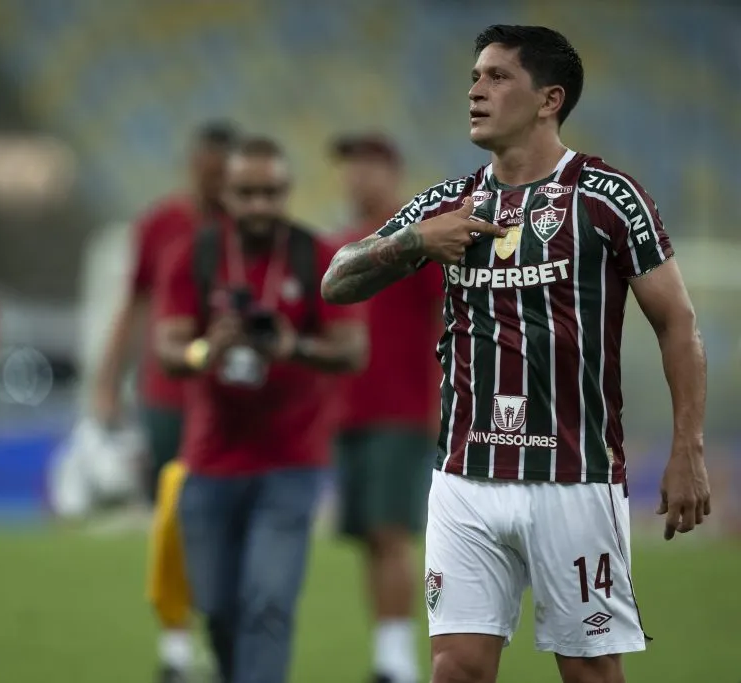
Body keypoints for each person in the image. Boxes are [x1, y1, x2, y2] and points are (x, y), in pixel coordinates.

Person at [322, 25, 710, 683]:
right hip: (465, 474)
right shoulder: (448, 203)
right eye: (475, 76)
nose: (476, 89)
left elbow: (677, 321)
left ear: (548, 99)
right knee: (456, 667)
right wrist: (415, 239)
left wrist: (687, 448)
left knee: (588, 671)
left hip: (574, 475)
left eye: (498, 77)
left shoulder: (606, 197)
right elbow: (337, 278)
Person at [154, 136, 368, 683]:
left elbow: (352, 349)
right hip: (209, 463)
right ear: (224, 193)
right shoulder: (195, 256)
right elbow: (168, 350)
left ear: (286, 192)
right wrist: (210, 348)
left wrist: (291, 347)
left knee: (268, 602)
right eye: (246, 193)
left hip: (290, 461)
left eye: (270, 193)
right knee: (219, 609)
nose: (259, 206)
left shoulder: (315, 256)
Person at [91, 120, 239, 682]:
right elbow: (132, 307)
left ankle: (220, 636)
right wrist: (108, 381)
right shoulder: (160, 225)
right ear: (192, 165)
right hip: (168, 397)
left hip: (230, 403)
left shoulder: (248, 228)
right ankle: (176, 643)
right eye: (206, 171)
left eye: (221, 173)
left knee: (224, 522)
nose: (213, 182)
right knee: (173, 523)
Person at [329, 133, 444, 683]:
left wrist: (444, 404)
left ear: (391, 172)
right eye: (350, 165)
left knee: (389, 533)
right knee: (369, 540)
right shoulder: (346, 245)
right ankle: (387, 653)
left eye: (367, 165)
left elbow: (445, 325)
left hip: (400, 412)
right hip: (348, 414)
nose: (356, 176)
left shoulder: (414, 242)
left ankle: (398, 661)